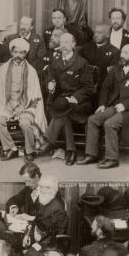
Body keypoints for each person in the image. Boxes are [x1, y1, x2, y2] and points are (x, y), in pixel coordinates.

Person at [78, 43, 129, 168]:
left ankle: (112, 159)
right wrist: (102, 104)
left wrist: (125, 105)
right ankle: (91, 154)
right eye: (122, 52)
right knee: (92, 119)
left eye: (126, 53)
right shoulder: (115, 70)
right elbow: (105, 88)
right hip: (114, 107)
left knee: (110, 123)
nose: (122, 55)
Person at [0, 37, 48, 162]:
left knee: (25, 123)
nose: (18, 55)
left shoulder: (31, 71)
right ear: (11, 52)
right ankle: (11, 148)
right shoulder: (3, 69)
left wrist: (23, 107)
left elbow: (35, 95)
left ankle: (30, 151)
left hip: (25, 106)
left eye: (21, 53)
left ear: (25, 54)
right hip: (7, 105)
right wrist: (7, 106)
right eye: (15, 52)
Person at [38, 33, 94, 165]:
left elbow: (89, 87)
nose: (63, 45)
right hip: (62, 101)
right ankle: (71, 151)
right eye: (62, 42)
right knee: (64, 114)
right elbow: (51, 79)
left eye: (67, 42)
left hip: (80, 102)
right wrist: (50, 86)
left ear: (74, 44)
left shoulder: (82, 62)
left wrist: (75, 97)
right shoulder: (55, 62)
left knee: (62, 110)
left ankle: (49, 141)